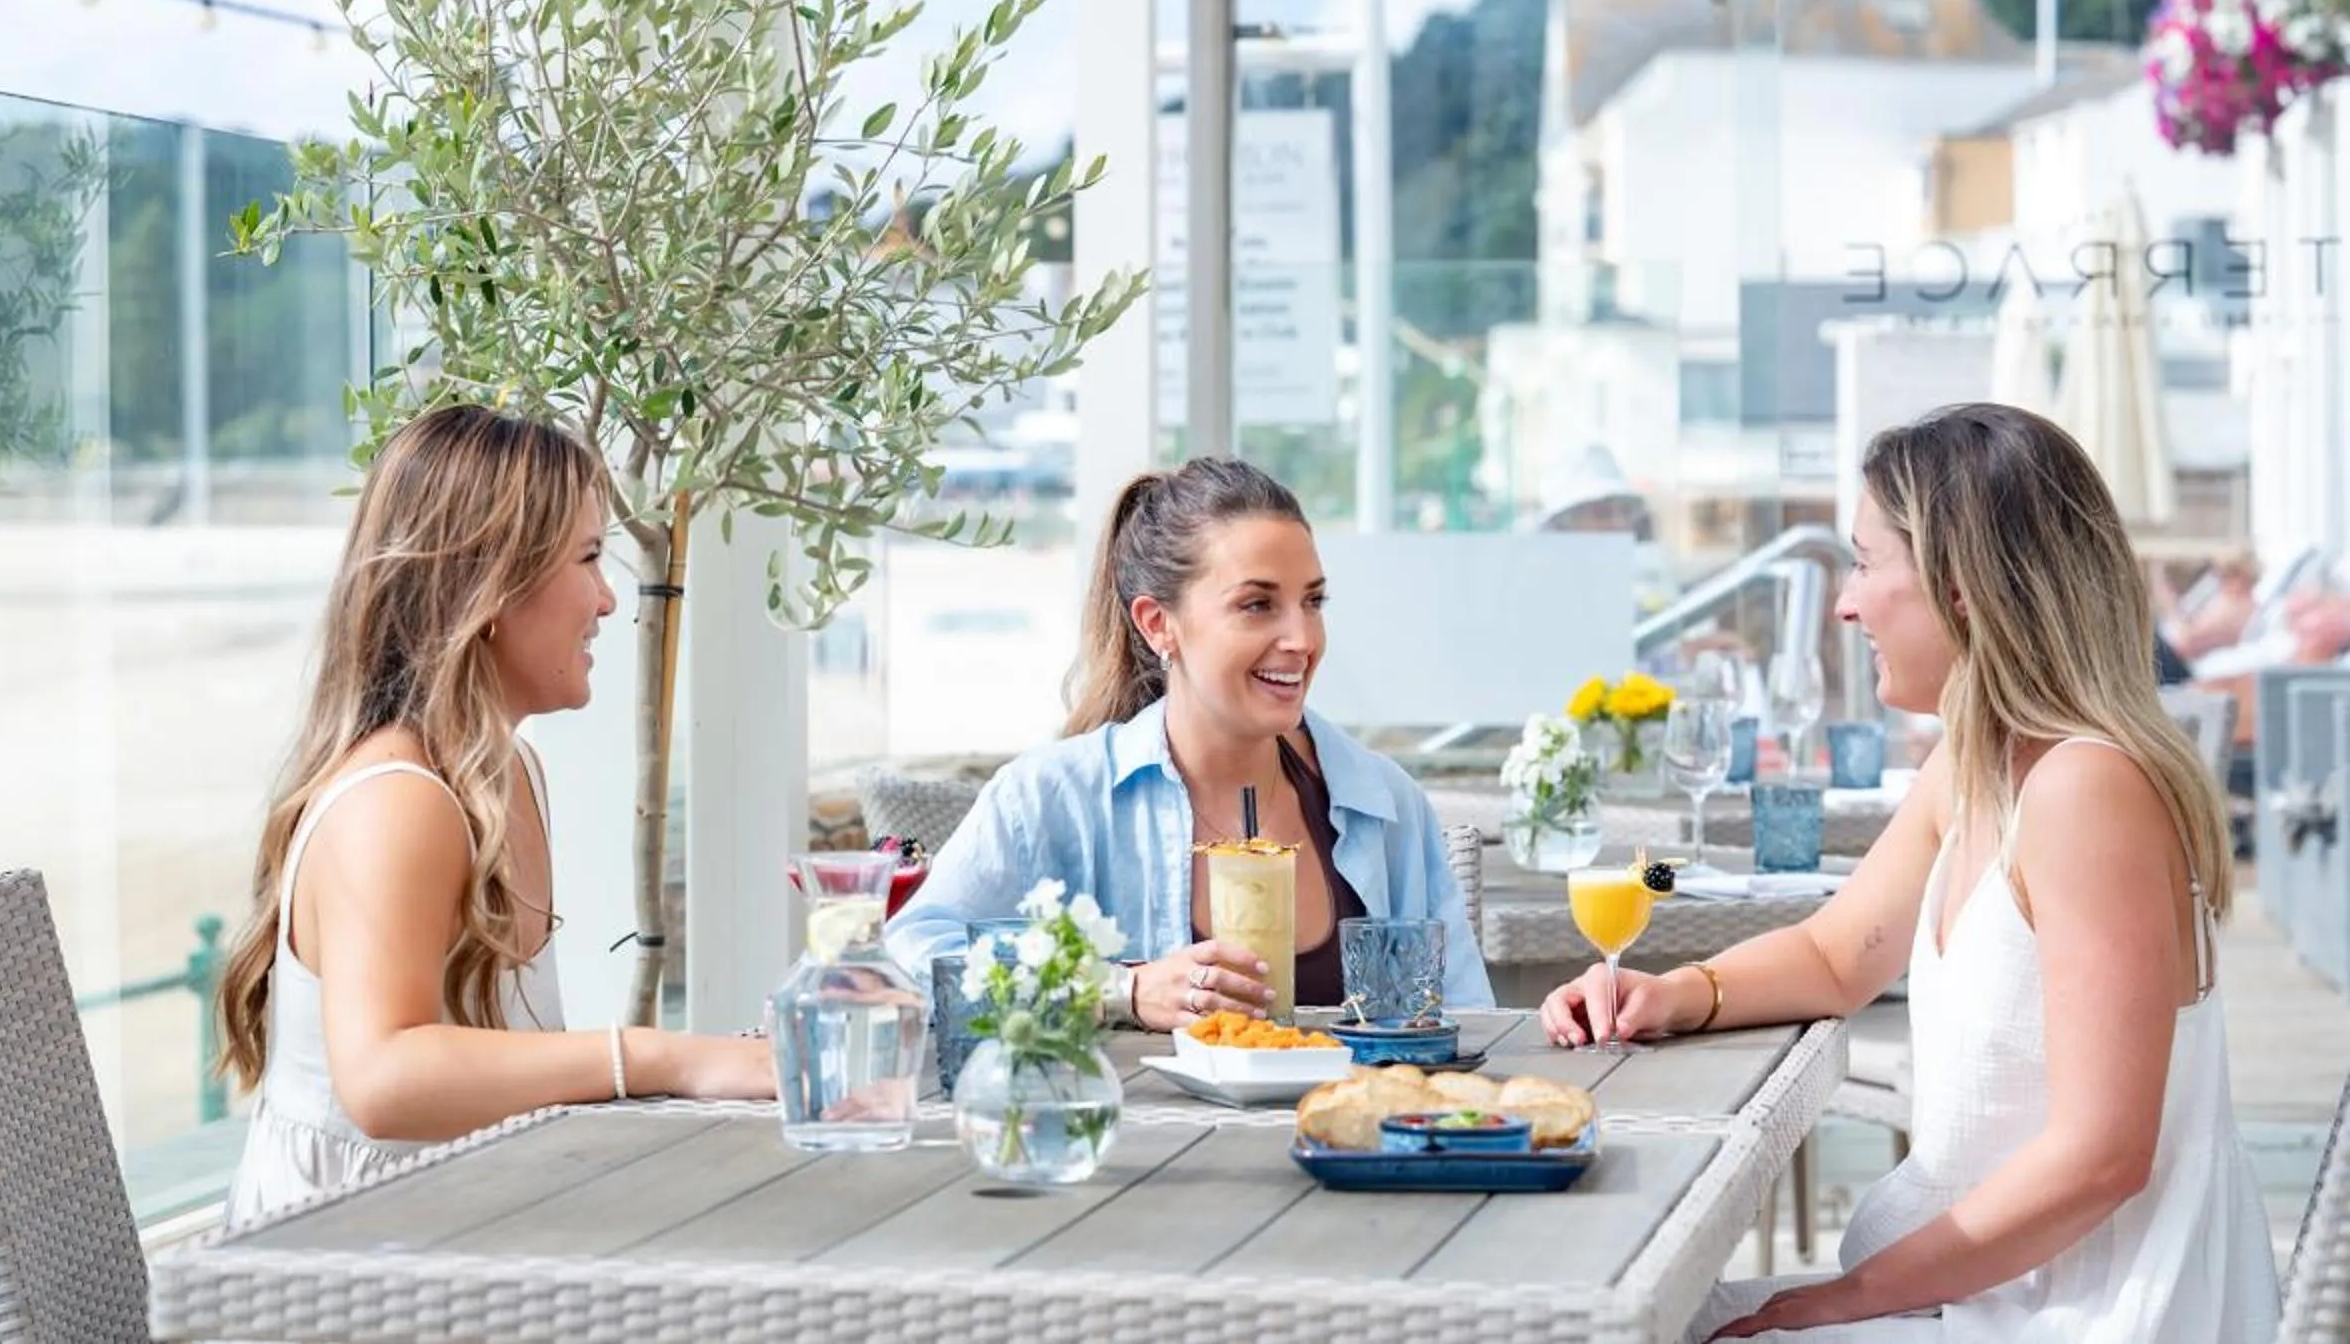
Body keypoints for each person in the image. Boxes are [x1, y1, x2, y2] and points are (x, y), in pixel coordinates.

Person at [1537, 403, 2276, 1343]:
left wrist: (1847, 1298)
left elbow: (2102, 1157)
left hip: (2083, 1311)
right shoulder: (1975, 764)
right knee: (1629, 1321)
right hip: (1992, 1286)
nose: (1845, 604)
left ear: (1959, 584)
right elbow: (1839, 953)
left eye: (1863, 561)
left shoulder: (2085, 788)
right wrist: (1671, 993)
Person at [215, 404, 771, 1221]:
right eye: (587, 558)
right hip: (340, 1266)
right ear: (491, 586)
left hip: (466, 1228)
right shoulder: (398, 802)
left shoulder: (510, 773)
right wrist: (663, 1059)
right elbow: (383, 1079)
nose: (609, 600)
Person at [890, 458, 1491, 1023]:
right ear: (1159, 625)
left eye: (1312, 602)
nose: (1301, 638)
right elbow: (912, 960)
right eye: (1257, 605)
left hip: (1350, 1133)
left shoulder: (1381, 803)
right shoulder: (1052, 799)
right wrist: (1118, 990)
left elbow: (1470, 1022)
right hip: (1131, 1134)